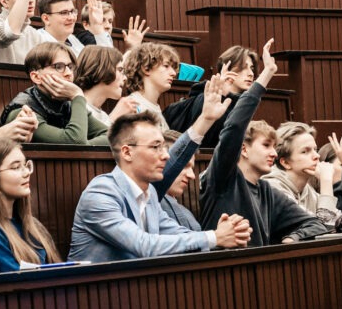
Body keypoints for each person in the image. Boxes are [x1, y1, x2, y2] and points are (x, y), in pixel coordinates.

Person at [69, 78, 252, 262]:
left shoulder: (149, 196)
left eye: (164, 147)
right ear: (127, 152)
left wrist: (222, 235)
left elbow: (180, 235)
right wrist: (214, 237)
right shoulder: (101, 192)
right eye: (156, 147)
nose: (165, 155)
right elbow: (144, 245)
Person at [198, 39, 327, 245]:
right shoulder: (223, 178)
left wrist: (293, 237)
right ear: (244, 149)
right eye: (266, 145)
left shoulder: (267, 191)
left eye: (274, 147)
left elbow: (315, 223)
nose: (274, 154)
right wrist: (267, 74)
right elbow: (235, 127)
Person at [0, 138, 62, 273]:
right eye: (16, 167)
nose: (27, 173)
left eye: (26, 165)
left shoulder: (32, 224)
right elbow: (17, 282)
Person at [0, 42, 109, 145]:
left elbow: (112, 136)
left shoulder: (68, 104)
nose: (69, 73)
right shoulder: (22, 110)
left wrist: (86, 144)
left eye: (70, 67)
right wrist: (77, 95)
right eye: (59, 67)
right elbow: (75, 141)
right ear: (36, 77)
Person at [164, 45, 257, 148]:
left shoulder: (242, 104)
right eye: (243, 67)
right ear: (227, 69)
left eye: (252, 68)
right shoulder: (205, 99)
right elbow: (207, 140)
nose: (251, 73)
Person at [73, 45, 138, 127]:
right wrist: (114, 117)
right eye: (120, 70)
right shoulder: (76, 109)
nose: (125, 78)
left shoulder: (103, 116)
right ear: (102, 69)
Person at [122, 42, 180, 132]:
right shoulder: (132, 107)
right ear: (146, 69)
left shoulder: (154, 107)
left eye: (173, 68)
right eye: (166, 66)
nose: (173, 73)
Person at [37, 0, 112, 55]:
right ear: (46, 19)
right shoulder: (36, 41)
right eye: (64, 13)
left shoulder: (74, 41)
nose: (71, 18)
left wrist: (97, 26)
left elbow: (107, 63)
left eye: (72, 11)